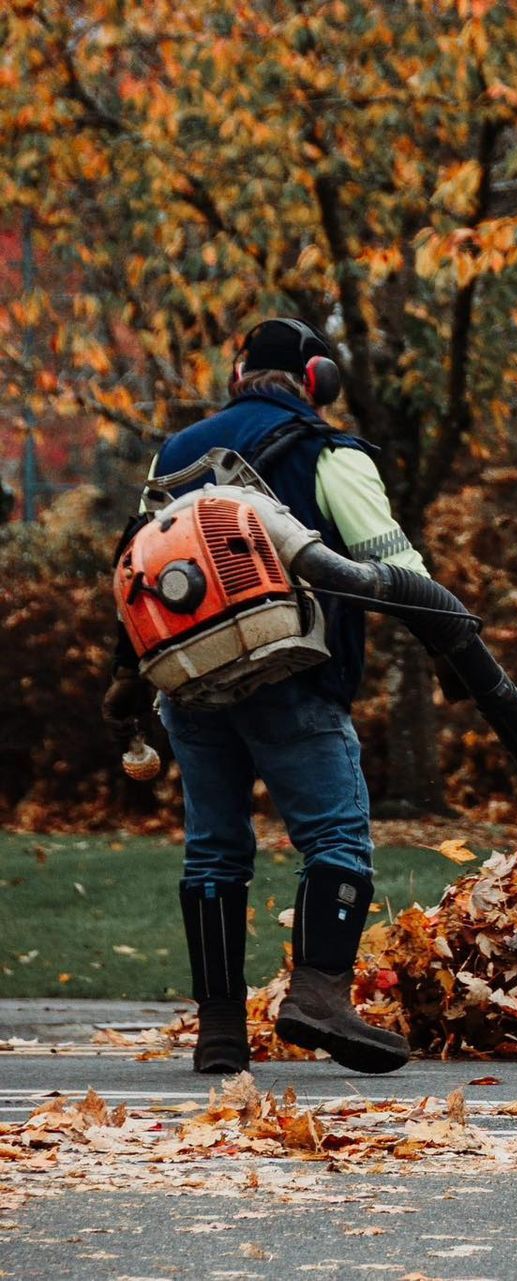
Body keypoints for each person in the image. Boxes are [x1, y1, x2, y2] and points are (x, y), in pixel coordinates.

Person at [102, 318, 426, 1076]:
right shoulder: (332, 453)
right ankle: (318, 995)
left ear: (237, 376)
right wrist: (451, 640)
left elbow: (139, 567)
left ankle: (219, 1032)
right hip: (295, 680)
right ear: (316, 379)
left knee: (213, 850)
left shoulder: (175, 455)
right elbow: (395, 565)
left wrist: (128, 679)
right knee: (336, 840)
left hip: (191, 686)